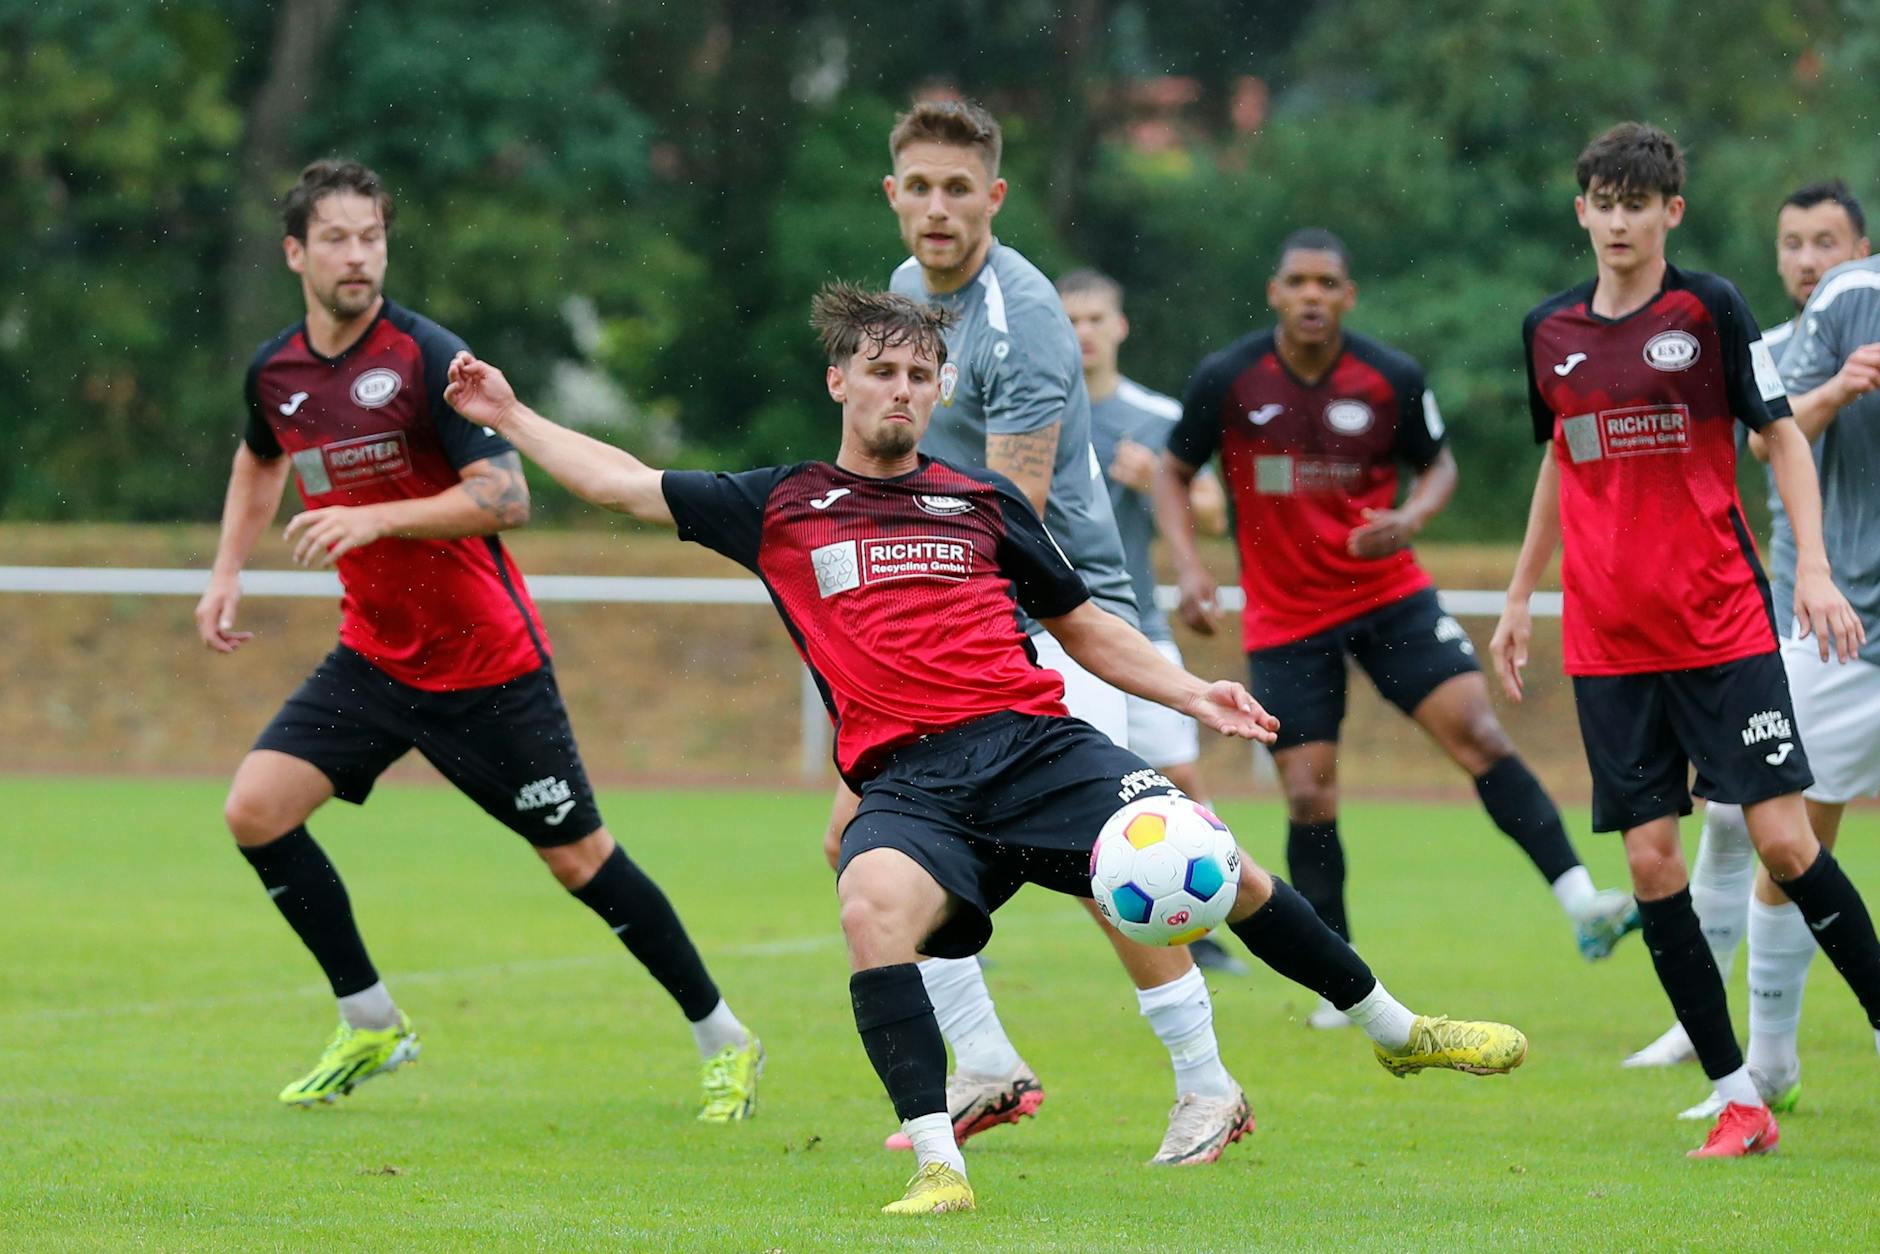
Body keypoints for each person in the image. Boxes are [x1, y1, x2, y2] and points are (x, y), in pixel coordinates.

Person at [443, 281, 1529, 1215]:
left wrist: (1192, 689)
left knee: (1210, 861)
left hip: (1036, 748)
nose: (902, 389)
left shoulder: (979, 500)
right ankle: (937, 1161)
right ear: (840, 382)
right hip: (909, 783)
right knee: (870, 905)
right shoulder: (779, 504)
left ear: (940, 390)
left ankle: (1393, 1028)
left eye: (921, 373)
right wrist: (511, 414)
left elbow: (1085, 626)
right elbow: (619, 482)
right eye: (881, 370)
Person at [195, 159, 760, 1118]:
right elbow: (260, 461)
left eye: (371, 236)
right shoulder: (276, 372)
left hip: (487, 666)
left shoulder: (423, 356)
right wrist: (225, 569)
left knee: (580, 860)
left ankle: (725, 1038)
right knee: (255, 811)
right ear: (296, 251)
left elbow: (508, 497)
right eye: (336, 238)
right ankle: (371, 1021)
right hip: (374, 657)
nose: (358, 255)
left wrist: (378, 520)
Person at [837, 98, 1249, 1168]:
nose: (935, 207)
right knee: (865, 845)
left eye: (956, 188)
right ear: (892, 194)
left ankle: (1207, 1087)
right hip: (963, 628)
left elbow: (1006, 519)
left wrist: (945, 640)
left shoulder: (1020, 314)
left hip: (1051, 622)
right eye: (917, 187)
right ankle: (982, 1060)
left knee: (1116, 873)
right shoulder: (901, 299)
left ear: (993, 196)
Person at [1492, 123, 1880, 1158]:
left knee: (1784, 842)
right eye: (1600, 202)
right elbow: (1556, 464)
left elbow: (1777, 433)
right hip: (1608, 642)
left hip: (1719, 622)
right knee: (1653, 860)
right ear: (1579, 211)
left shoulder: (1704, 309)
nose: (1616, 221)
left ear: (1670, 211)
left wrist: (1806, 567)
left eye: (1637, 203)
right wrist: (1520, 591)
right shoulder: (1545, 332)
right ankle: (1735, 1095)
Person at [1155, 228, 1640, 1029]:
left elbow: (1439, 461)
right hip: (1286, 615)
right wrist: (1194, 565)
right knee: (1309, 793)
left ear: (1348, 297)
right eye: (1298, 282)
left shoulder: (1390, 376)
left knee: (1480, 734)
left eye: (1328, 284)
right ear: (1275, 293)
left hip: (1389, 596)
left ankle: (1583, 900)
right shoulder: (1229, 377)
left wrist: (1412, 515)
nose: (1313, 296)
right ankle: (1339, 980)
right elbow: (1174, 471)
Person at [1626, 181, 1878, 1116]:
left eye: (1827, 242)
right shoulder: (1763, 349)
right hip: (1807, 630)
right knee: (1773, 835)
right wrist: (1836, 388)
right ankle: (1757, 1051)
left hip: (1823, 628)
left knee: (1765, 834)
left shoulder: (1865, 304)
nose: (1808, 259)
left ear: (1859, 248)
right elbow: (1764, 444)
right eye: (1793, 243)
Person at [1057, 266, 1246, 977]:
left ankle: (1209, 920)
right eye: (1070, 320)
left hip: (1134, 623)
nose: (1083, 333)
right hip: (1043, 629)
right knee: (1062, 786)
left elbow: (1213, 512)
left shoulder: (1153, 415)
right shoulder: (1034, 407)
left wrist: (1152, 479)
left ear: (1119, 327)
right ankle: (962, 924)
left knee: (1178, 776)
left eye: (1095, 319)